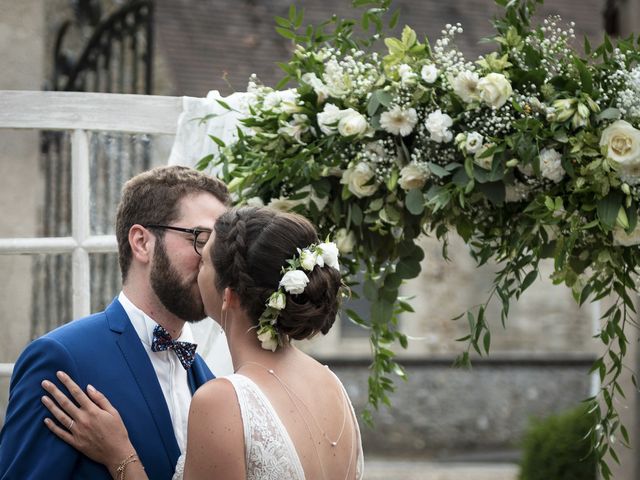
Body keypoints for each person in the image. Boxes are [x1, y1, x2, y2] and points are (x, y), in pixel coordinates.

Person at [40, 206, 364, 480]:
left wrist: (121, 457)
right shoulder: (330, 384)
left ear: (229, 295)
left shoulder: (223, 400)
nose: (196, 267)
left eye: (205, 259)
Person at [0, 165, 230, 479]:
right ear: (142, 242)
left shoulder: (207, 379)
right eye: (200, 239)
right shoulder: (62, 359)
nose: (213, 261)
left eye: (219, 247)